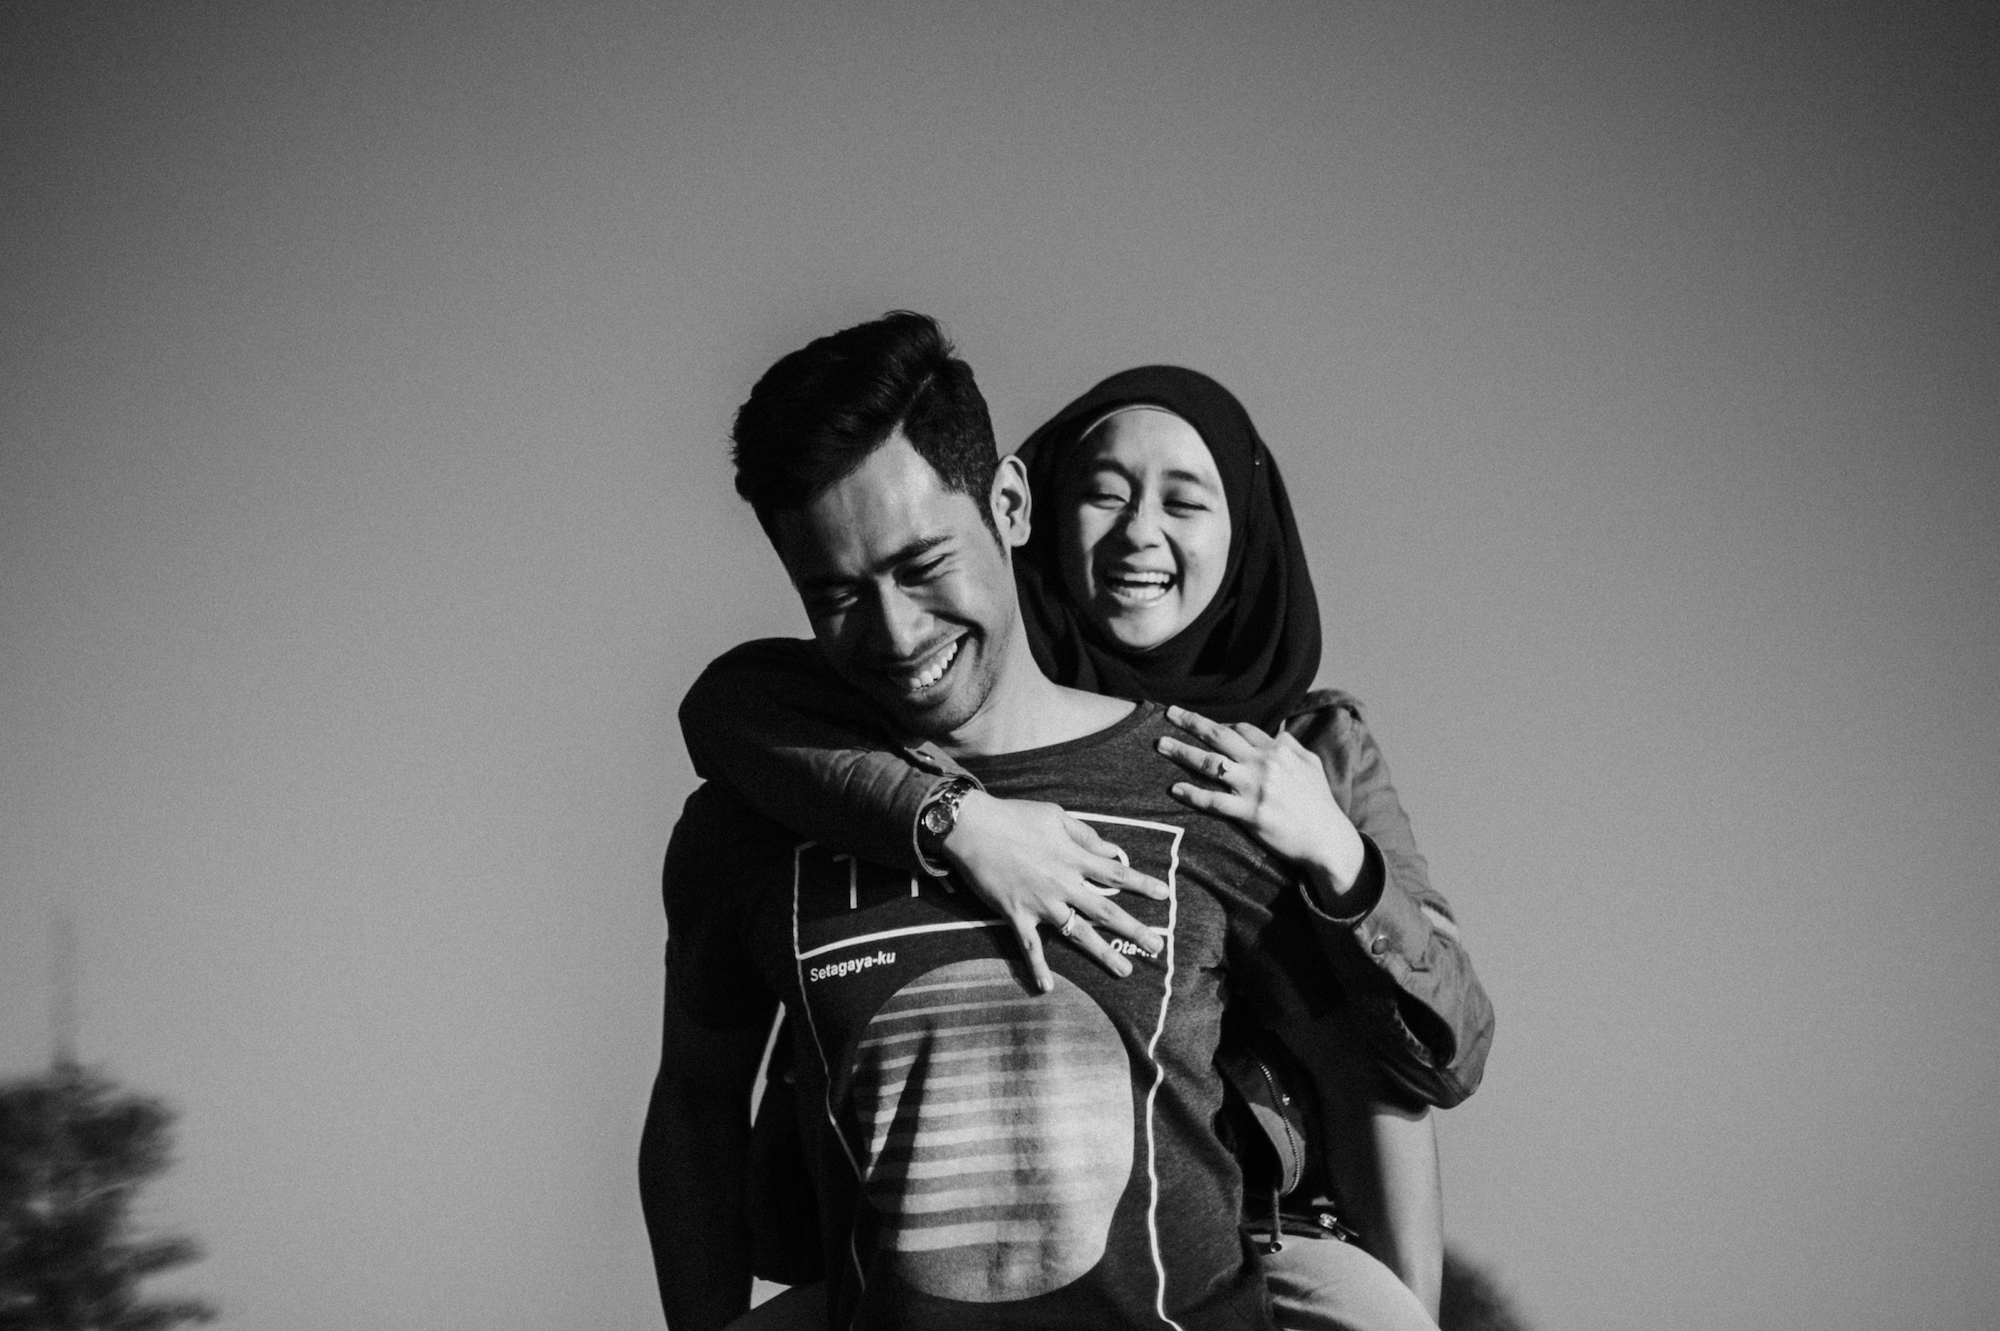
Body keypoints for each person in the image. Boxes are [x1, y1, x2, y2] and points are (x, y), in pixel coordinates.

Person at [640, 313, 1461, 1331]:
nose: (895, 632)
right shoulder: (757, 816)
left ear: (1011, 505)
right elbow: (696, 1104)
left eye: (923, 564)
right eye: (838, 594)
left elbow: (1375, 1078)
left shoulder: (1211, 780)